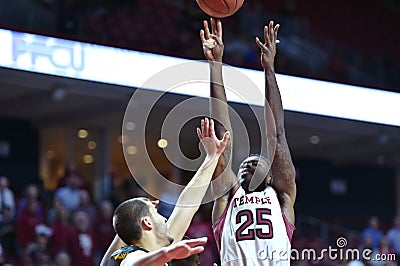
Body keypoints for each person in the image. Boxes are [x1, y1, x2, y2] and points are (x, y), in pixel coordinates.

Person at [200, 18, 296, 265]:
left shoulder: (281, 197)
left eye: (257, 161)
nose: (250, 163)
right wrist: (215, 65)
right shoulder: (227, 196)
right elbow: (223, 135)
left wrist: (269, 69)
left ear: (271, 176)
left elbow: (277, 135)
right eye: (246, 163)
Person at [101, 118, 230, 266]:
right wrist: (167, 254)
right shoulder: (127, 255)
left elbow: (186, 205)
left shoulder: (157, 249)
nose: (165, 219)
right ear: (147, 222)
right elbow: (134, 263)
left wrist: (212, 158)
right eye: (157, 213)